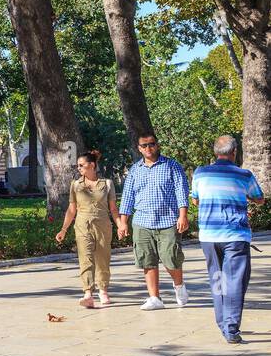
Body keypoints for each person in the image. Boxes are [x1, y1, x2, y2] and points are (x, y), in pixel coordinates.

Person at [191, 135, 263, 345]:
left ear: (215, 152)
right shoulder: (244, 174)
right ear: (234, 152)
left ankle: (222, 322)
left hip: (209, 236)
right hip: (235, 235)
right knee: (235, 281)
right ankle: (231, 328)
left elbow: (195, 198)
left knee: (217, 278)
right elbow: (259, 198)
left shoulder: (200, 173)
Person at [118, 131, 190, 310]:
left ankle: (179, 286)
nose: (148, 148)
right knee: (147, 260)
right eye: (144, 145)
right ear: (139, 148)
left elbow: (181, 191)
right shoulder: (135, 169)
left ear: (157, 145)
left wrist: (183, 215)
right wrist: (123, 221)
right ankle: (154, 298)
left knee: (171, 258)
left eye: (151, 144)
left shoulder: (172, 165)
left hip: (168, 220)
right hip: (142, 221)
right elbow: (127, 197)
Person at [56, 150, 125, 308]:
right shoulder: (76, 185)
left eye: (81, 165)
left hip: (103, 225)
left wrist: (120, 225)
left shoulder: (107, 184)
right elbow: (72, 209)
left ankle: (103, 290)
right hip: (82, 226)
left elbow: (113, 209)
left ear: (92, 165)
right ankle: (88, 293)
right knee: (85, 259)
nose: (78, 168)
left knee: (102, 259)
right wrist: (63, 229)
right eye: (77, 166)